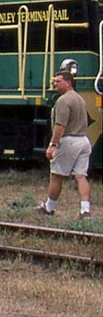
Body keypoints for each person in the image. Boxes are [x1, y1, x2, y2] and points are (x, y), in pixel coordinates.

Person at [39, 69, 92, 217]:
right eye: (54, 81)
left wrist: (53, 145)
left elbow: (60, 126)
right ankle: (85, 209)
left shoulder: (63, 101)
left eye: (58, 81)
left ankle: (49, 208)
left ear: (68, 82)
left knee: (56, 175)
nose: (54, 83)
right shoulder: (79, 98)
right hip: (83, 140)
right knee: (81, 176)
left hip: (69, 141)